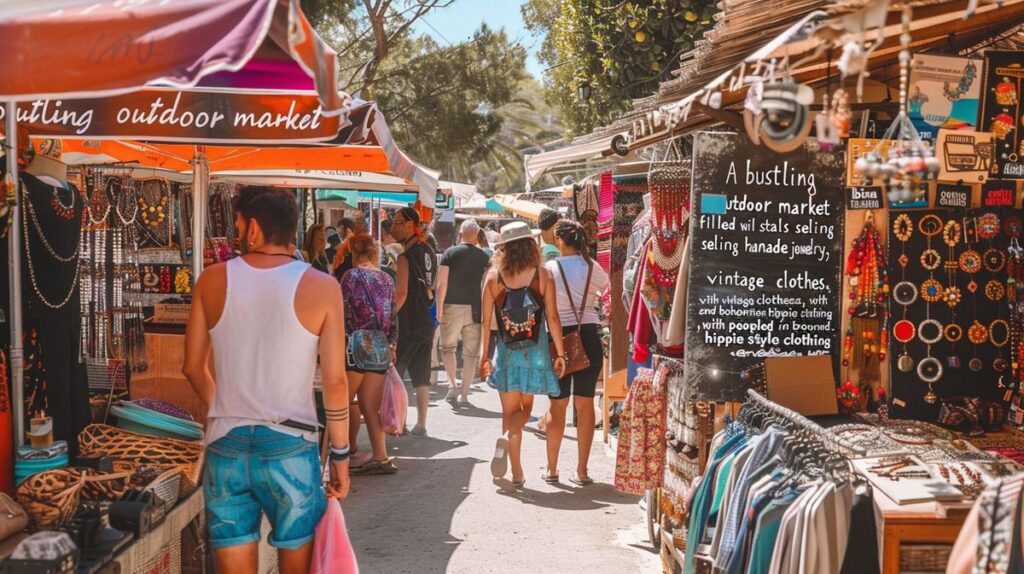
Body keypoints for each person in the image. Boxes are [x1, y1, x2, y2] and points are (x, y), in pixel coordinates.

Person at [183, 186, 350, 574]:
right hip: (291, 445)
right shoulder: (323, 287)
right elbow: (336, 381)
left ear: (254, 229)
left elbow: (192, 367)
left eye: (238, 225)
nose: (236, 234)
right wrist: (340, 455)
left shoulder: (211, 280)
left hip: (226, 444)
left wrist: (229, 410)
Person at [479, 222, 566, 488]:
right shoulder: (542, 275)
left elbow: (486, 323)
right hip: (535, 352)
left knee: (508, 411)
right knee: (525, 409)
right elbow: (552, 317)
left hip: (506, 352)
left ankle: (516, 472)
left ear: (503, 248)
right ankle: (511, 433)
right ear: (531, 245)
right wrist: (560, 353)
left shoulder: (493, 277)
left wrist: (485, 357)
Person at [542, 220, 609, 486]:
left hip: (559, 338)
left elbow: (549, 310)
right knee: (586, 402)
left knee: (557, 405)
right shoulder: (592, 266)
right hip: (589, 336)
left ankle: (552, 468)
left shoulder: (550, 268)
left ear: (559, 240)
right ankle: (582, 471)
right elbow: (605, 291)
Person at [340, 233, 398, 475]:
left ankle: (333, 457)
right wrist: (393, 344)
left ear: (354, 253)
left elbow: (342, 311)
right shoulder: (386, 278)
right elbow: (394, 316)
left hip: (356, 345)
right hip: (380, 347)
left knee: (339, 405)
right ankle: (381, 456)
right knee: (368, 406)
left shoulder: (350, 276)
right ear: (375, 253)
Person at [391, 206, 438, 436]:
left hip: (408, 322)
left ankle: (399, 423)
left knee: (396, 374)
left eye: (397, 222)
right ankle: (422, 423)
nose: (393, 227)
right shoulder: (428, 250)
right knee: (422, 374)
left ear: (410, 224)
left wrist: (388, 318)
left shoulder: (404, 257)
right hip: (427, 321)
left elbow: (401, 294)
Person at [435, 218, 490, 404]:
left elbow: (441, 284)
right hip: (475, 309)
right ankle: (465, 394)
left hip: (451, 306)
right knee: (470, 354)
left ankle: (452, 386)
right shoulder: (484, 257)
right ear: (477, 236)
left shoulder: (450, 253)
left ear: (460, 234)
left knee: (448, 348)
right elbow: (486, 286)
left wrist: (439, 308)